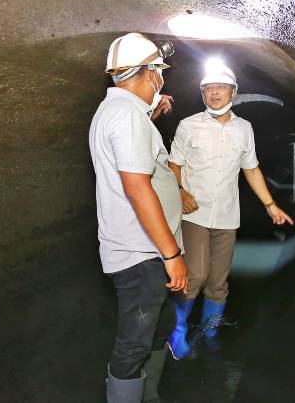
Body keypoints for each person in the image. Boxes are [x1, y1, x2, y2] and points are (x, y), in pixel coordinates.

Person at [167, 58, 294, 360]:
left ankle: (210, 332)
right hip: (193, 213)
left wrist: (271, 205)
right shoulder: (189, 125)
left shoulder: (244, 129)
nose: (214, 92)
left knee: (218, 282)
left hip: (226, 216)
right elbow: (174, 165)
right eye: (208, 88)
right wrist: (181, 191)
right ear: (202, 94)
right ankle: (178, 330)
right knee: (195, 275)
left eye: (221, 87)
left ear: (233, 92)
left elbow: (251, 169)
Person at [89, 32, 188, 402]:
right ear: (150, 75)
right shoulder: (127, 116)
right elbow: (138, 189)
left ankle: (152, 395)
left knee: (158, 329)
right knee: (132, 346)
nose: (161, 81)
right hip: (141, 254)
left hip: (147, 251)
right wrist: (173, 256)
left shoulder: (119, 111)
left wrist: (150, 111)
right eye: (158, 74)